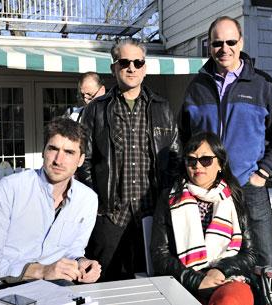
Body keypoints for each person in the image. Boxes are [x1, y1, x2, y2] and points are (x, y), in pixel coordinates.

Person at [181, 16, 272, 267]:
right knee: (213, 258)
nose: (224, 49)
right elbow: (185, 137)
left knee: (264, 258)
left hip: (250, 184)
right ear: (209, 46)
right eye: (217, 43)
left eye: (231, 41)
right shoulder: (196, 87)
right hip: (208, 189)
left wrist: (263, 172)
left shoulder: (263, 85)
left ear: (241, 42)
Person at [78, 38, 180, 281]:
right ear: (114, 67)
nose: (131, 67)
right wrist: (99, 202)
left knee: (155, 287)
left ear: (145, 68)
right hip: (111, 217)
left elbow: (175, 159)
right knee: (107, 287)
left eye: (138, 62)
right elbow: (84, 161)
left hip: (152, 216)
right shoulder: (96, 109)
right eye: (124, 62)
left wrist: (165, 203)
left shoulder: (162, 108)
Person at [0, 117, 100, 288]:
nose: (58, 160)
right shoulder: (9, 189)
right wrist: (42, 271)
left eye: (69, 152)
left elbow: (74, 250)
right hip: (4, 285)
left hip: (56, 286)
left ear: (80, 160)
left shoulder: (88, 199)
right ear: (43, 151)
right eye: (53, 149)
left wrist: (82, 263)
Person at [151, 132, 256, 305]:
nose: (197, 166)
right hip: (182, 281)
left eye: (206, 160)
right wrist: (196, 280)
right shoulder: (170, 198)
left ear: (220, 163)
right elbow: (159, 254)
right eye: (191, 160)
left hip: (227, 279)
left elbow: (250, 253)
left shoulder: (233, 198)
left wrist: (220, 270)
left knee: (229, 301)